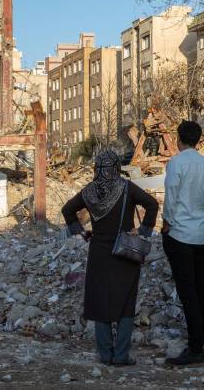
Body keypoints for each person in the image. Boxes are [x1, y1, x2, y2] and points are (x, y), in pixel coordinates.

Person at [61, 151, 159, 366]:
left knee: (101, 302)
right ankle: (121, 355)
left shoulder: (89, 191)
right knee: (125, 302)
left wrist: (81, 232)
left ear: (96, 168)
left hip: (98, 253)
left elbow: (67, 209)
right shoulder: (126, 188)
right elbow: (152, 204)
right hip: (125, 252)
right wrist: (143, 231)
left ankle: (105, 355)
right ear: (116, 167)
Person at [162, 120, 204, 366]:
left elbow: (171, 198)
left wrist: (166, 226)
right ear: (198, 140)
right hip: (201, 236)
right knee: (200, 288)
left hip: (180, 235)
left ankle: (195, 347)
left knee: (187, 291)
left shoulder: (176, 162)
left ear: (179, 139)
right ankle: (200, 339)